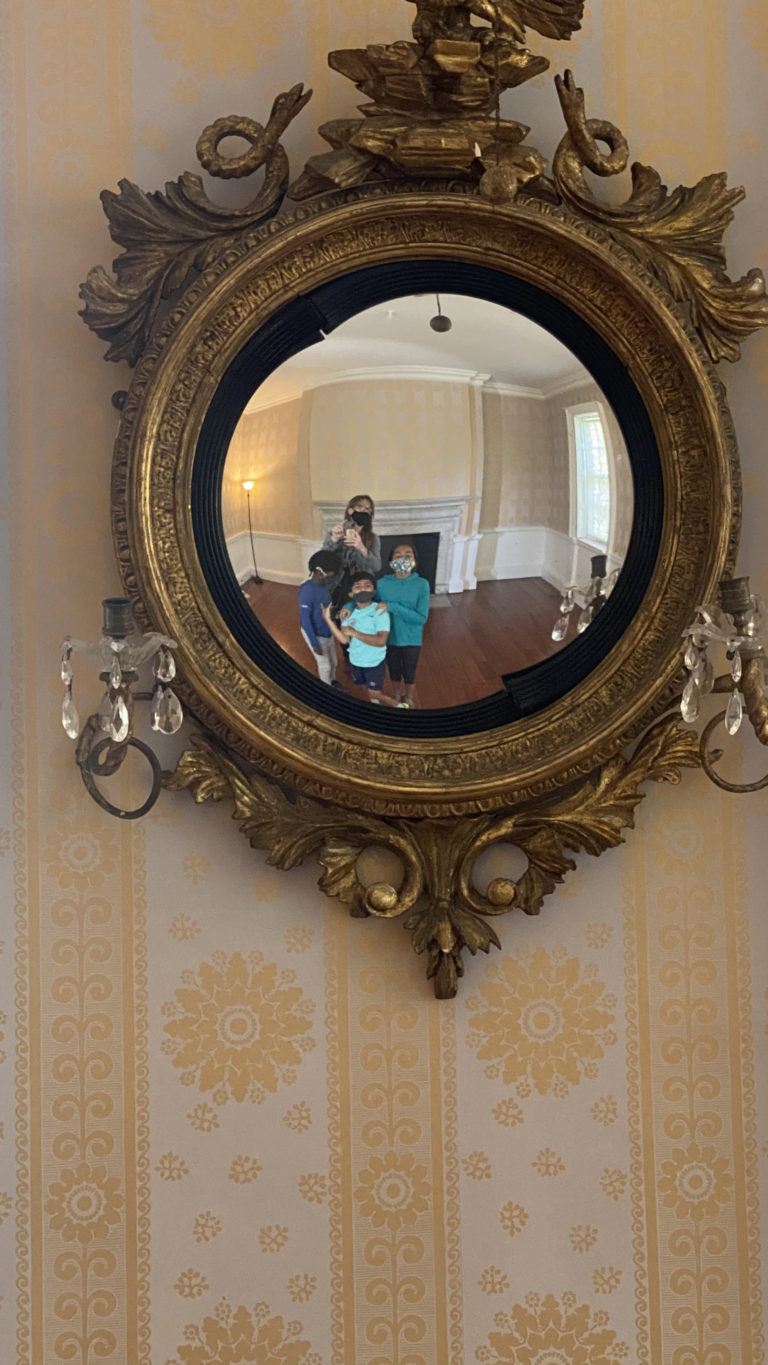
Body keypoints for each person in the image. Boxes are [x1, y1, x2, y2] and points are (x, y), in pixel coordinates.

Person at [322, 572, 402, 707]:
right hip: (356, 662)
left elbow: (381, 641)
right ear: (351, 594)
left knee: (375, 694)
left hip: (374, 663)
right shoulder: (348, 614)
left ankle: (399, 706)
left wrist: (355, 633)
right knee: (368, 689)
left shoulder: (379, 611)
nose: (363, 589)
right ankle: (376, 704)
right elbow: (344, 640)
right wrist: (328, 620)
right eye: (357, 587)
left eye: (367, 585)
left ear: (374, 591)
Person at [376, 543, 430, 707]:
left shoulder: (422, 584)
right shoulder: (381, 584)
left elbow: (421, 618)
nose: (403, 559)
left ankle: (409, 698)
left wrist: (392, 606)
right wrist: (348, 607)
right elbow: (368, 603)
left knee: (409, 671)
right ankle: (397, 695)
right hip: (388, 636)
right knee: (393, 670)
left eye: (408, 555)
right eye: (398, 556)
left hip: (412, 638)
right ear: (391, 561)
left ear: (415, 560)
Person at [322, 493, 382, 610]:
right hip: (336, 584)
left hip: (360, 586)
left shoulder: (373, 538)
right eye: (360, 507)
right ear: (350, 510)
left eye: (367, 509)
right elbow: (323, 561)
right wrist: (334, 540)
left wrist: (362, 548)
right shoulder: (336, 533)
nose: (364, 511)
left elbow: (377, 566)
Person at [298, 550, 341, 686]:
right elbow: (305, 620)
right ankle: (328, 690)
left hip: (327, 631)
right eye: (330, 574)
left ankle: (332, 682)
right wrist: (314, 643)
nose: (332, 577)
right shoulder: (307, 591)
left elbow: (327, 608)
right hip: (315, 634)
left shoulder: (324, 586)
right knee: (325, 666)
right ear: (319, 572)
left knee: (334, 662)